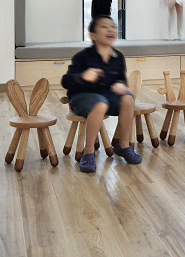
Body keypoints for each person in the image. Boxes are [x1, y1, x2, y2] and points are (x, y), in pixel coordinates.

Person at [61, 16, 143, 173]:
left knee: (127, 98)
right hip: (82, 96)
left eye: (113, 27)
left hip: (107, 95)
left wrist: (121, 84)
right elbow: (66, 81)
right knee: (100, 104)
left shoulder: (118, 57)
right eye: (104, 27)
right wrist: (82, 76)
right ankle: (88, 152)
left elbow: (121, 79)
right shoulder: (82, 57)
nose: (111, 29)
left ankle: (124, 146)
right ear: (93, 35)